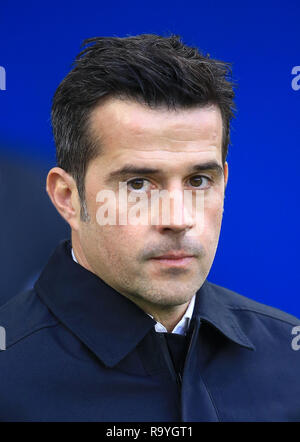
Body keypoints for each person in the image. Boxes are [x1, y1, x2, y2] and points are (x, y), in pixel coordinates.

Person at [0, 34, 299, 422]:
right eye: (138, 184)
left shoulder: (289, 358)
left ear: (224, 182)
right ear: (67, 197)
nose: (177, 218)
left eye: (198, 181)